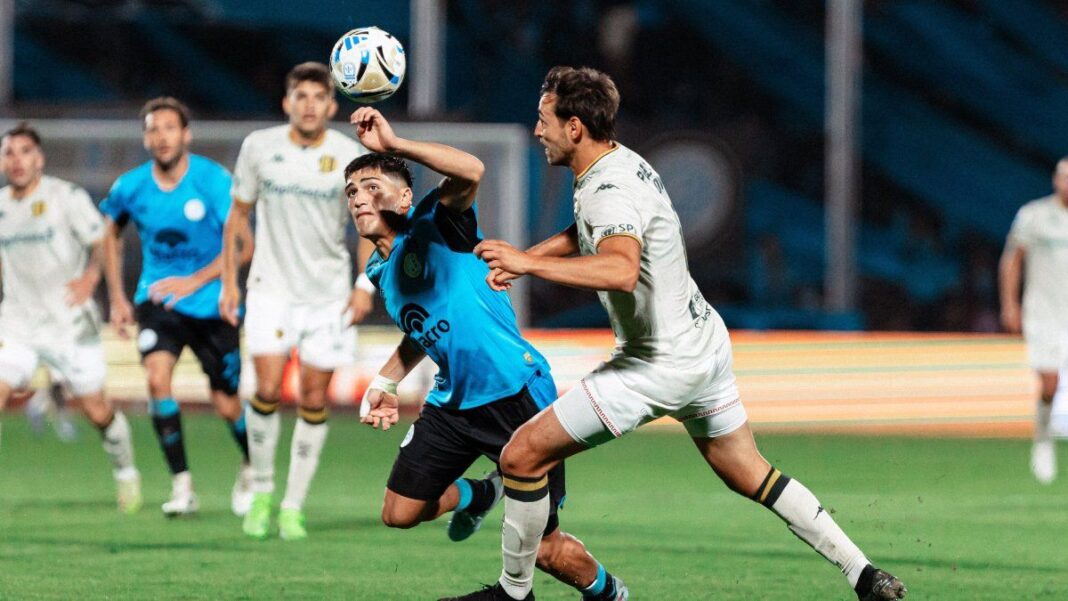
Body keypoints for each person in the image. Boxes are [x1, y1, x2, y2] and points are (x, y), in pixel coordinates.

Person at [444, 67, 907, 601]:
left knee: (521, 456)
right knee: (749, 472)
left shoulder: (607, 190)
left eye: (544, 119)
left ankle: (513, 594)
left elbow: (618, 267)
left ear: (575, 127)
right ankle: (864, 574)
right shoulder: (621, 162)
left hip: (655, 365)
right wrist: (531, 255)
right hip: (702, 342)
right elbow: (586, 231)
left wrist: (527, 265)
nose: (536, 130)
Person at [348, 107, 628, 601]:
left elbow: (471, 170)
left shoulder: (437, 224)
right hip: (452, 403)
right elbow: (425, 331)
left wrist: (393, 143)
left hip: (515, 394)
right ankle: (483, 492)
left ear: (406, 196)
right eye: (352, 192)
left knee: (544, 550)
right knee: (399, 512)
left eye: (373, 185)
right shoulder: (378, 271)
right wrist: (386, 381)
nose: (360, 197)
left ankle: (610, 593)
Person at [220, 62, 375, 540]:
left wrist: (364, 285)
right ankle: (262, 488)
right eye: (300, 96)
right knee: (265, 390)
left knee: (313, 397)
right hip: (270, 289)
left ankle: (293, 504)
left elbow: (367, 224)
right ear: (287, 103)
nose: (309, 105)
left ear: (332, 105)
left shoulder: (350, 156)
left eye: (318, 97)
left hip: (327, 295)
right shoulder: (258, 148)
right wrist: (229, 282)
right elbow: (237, 218)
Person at [101, 97, 252, 517]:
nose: (161, 136)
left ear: (186, 134)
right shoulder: (130, 186)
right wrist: (116, 296)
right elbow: (108, 235)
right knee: (156, 378)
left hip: (211, 304)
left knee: (225, 402)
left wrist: (197, 280)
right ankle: (182, 486)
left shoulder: (213, 180)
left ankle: (252, 467)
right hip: (158, 301)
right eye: (153, 129)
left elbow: (244, 246)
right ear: (146, 137)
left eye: (169, 128)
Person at [0, 122, 141, 512]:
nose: (16, 160)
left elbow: (107, 241)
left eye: (25, 152)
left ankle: (126, 472)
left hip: (69, 323)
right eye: (8, 152)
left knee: (97, 410)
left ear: (39, 159)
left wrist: (99, 283)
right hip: (16, 324)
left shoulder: (65, 196)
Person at [999, 157, 1068, 484]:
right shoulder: (1034, 215)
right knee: (1050, 383)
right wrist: (1009, 303)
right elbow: (1012, 259)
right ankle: (1043, 439)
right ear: (1055, 180)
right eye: (1063, 177)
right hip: (1042, 312)